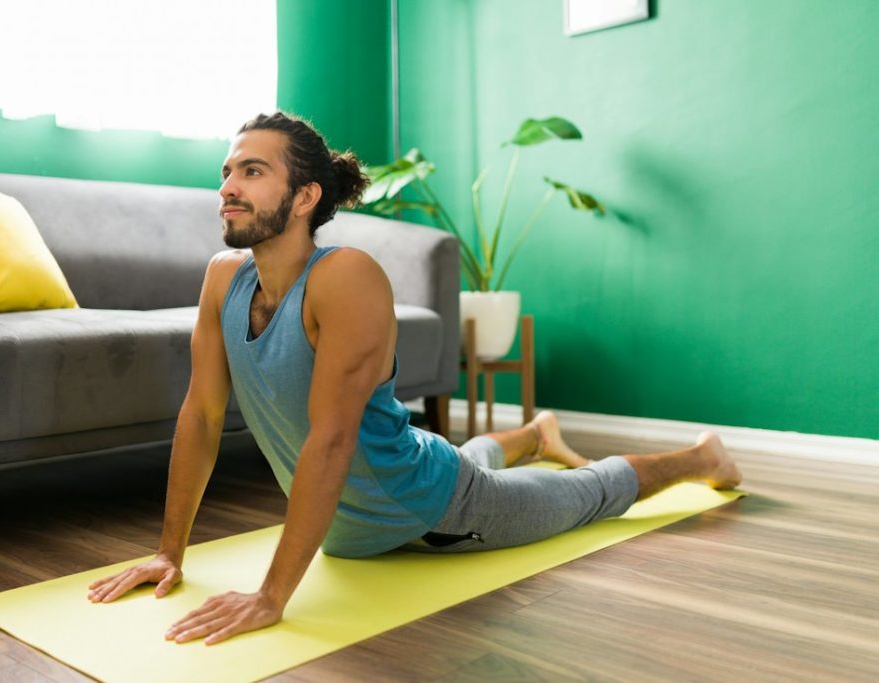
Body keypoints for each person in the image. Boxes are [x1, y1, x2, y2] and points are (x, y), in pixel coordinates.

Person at [86, 112, 742, 645]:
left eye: (251, 171)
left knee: (588, 492)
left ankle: (698, 455)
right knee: (440, 450)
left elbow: (334, 440)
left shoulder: (345, 278)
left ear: (305, 196)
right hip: (362, 515)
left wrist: (271, 595)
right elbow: (201, 415)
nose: (228, 185)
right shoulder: (222, 279)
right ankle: (536, 431)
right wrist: (170, 552)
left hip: (434, 506)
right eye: (226, 170)